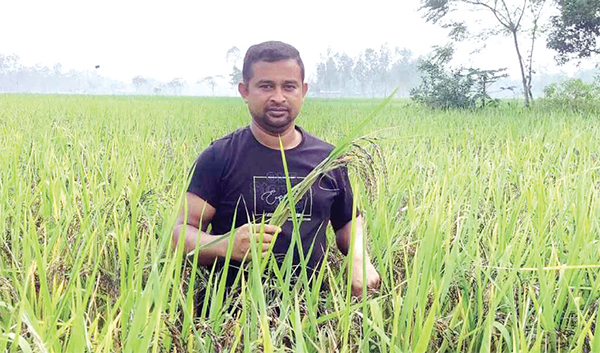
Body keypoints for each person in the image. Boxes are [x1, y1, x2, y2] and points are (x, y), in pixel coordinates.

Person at [172, 41, 380, 304]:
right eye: (266, 85)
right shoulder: (219, 157)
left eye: (289, 86)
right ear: (244, 91)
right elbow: (180, 232)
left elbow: (349, 222)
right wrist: (226, 244)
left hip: (311, 312)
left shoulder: (328, 159)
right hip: (228, 316)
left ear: (303, 91)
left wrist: (359, 258)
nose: (279, 97)